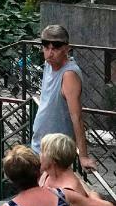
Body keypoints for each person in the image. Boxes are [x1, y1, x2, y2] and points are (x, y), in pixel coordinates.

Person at [31, 24, 96, 172]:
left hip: (56, 151)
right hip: (40, 143)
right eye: (46, 47)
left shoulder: (69, 75)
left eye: (56, 47)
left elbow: (76, 116)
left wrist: (83, 156)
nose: (50, 52)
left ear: (67, 48)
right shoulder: (48, 65)